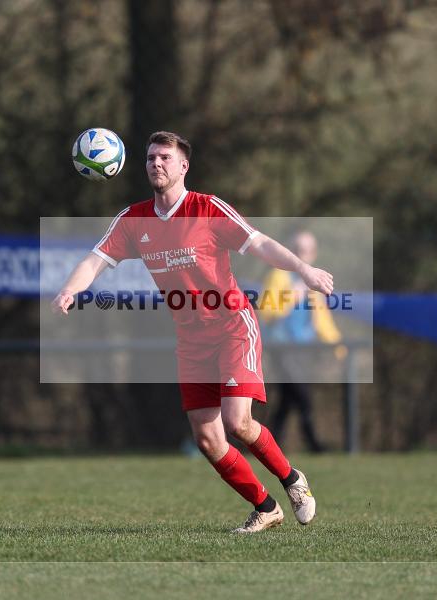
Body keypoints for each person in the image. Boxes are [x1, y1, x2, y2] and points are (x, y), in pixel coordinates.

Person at [51, 131, 334, 533]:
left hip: (233, 324)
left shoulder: (207, 208)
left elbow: (261, 244)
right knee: (207, 440)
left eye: (165, 157)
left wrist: (303, 269)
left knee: (239, 422)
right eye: (150, 157)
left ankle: (293, 481)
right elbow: (95, 261)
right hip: (191, 337)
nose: (156, 163)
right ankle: (265, 506)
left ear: (184, 166)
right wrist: (69, 289)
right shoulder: (134, 220)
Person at [260, 230, 343, 453]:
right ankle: (314, 444)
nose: (302, 255)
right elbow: (266, 312)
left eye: (306, 251)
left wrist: (339, 347)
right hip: (281, 348)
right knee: (302, 396)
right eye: (297, 250)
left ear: (314, 254)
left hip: (304, 349)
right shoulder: (278, 276)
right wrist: (292, 296)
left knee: (287, 400)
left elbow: (322, 319)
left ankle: (268, 445)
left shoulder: (312, 281)